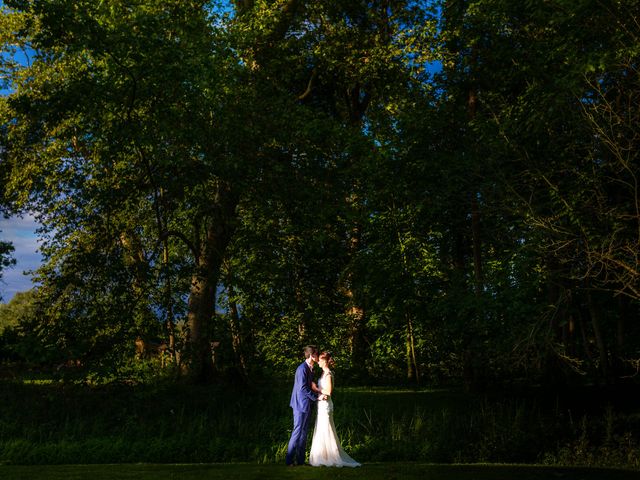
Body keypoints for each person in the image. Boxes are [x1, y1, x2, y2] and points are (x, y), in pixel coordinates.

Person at [308, 351, 361, 467]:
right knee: (321, 428)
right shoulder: (323, 373)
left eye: (320, 361)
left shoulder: (328, 374)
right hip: (321, 403)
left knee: (326, 428)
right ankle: (322, 456)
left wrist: (316, 389)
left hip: (326, 404)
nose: (318, 362)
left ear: (325, 361)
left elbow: (329, 391)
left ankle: (331, 456)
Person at [286, 345, 326, 467]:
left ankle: (301, 461)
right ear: (311, 355)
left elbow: (309, 386)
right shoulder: (302, 369)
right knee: (297, 431)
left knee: (304, 432)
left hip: (306, 404)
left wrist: (316, 390)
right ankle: (289, 461)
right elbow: (302, 388)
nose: (318, 356)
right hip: (300, 405)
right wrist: (316, 397)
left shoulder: (310, 369)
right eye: (316, 354)